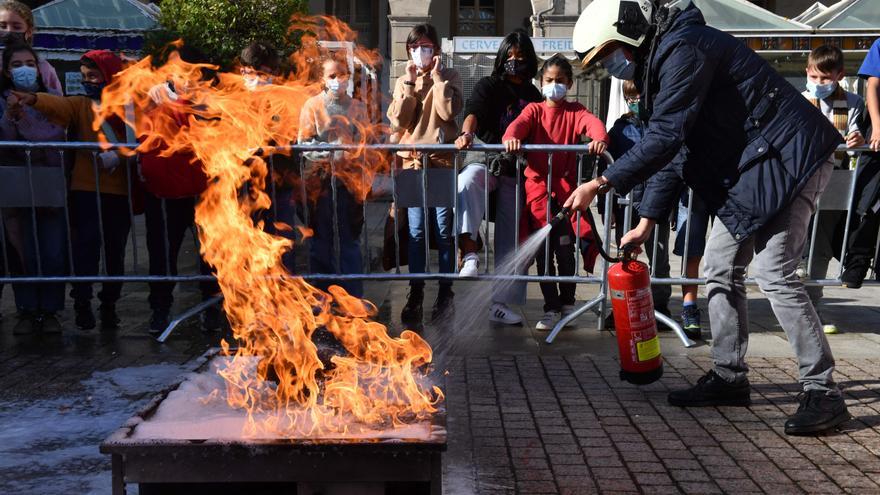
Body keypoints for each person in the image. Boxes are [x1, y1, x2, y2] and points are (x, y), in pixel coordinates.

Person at [567, 0, 848, 435]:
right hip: (756, 165)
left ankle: (823, 391)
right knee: (718, 267)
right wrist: (646, 221)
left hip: (793, 156)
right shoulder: (662, 61)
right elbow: (677, 151)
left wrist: (599, 183)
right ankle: (729, 376)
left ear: (628, 35)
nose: (611, 67)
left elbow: (665, 137)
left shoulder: (684, 48)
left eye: (609, 55)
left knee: (774, 272)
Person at [13, 50, 131, 330]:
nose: (88, 81)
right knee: (85, 250)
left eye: (94, 76)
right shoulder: (80, 104)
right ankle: (82, 302)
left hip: (120, 193)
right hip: (85, 191)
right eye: (84, 76)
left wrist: (120, 155)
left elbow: (144, 140)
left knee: (116, 253)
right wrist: (32, 99)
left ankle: (109, 303)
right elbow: (58, 107)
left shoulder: (130, 108)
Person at [502, 54, 608, 331]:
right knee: (542, 252)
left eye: (560, 81)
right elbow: (517, 127)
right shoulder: (534, 111)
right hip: (538, 192)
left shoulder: (575, 111)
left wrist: (599, 139)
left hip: (565, 193)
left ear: (569, 84)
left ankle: (568, 303)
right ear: (541, 82)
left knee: (564, 249)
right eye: (549, 80)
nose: (554, 86)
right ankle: (550, 307)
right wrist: (511, 138)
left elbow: (593, 124)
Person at [454, 29, 543, 326]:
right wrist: (467, 133)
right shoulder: (488, 85)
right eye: (509, 56)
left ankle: (501, 303)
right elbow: (473, 113)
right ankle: (469, 254)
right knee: (467, 182)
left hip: (515, 169)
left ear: (529, 60)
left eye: (520, 57)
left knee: (511, 236)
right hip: (485, 159)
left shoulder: (533, 94)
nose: (514, 61)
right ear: (502, 57)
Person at [140, 45, 222, 334]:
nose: (188, 77)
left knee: (210, 257)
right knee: (162, 256)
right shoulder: (152, 98)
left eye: (194, 71)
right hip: (162, 194)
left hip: (202, 193)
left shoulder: (210, 101)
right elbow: (144, 137)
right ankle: (159, 310)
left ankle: (212, 311)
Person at [387, 23, 463, 326]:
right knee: (416, 232)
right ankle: (415, 291)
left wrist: (438, 79)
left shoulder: (451, 76)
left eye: (428, 46)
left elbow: (448, 113)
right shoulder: (403, 80)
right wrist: (409, 83)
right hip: (412, 162)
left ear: (437, 51)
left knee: (444, 231)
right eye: (417, 47)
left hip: (441, 161)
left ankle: (446, 292)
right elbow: (399, 122)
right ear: (409, 50)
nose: (422, 52)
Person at [798, 45, 865, 334]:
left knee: (821, 247)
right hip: (802, 179)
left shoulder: (853, 102)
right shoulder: (798, 99)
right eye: (814, 77)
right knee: (797, 240)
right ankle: (796, 309)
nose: (819, 83)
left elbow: (857, 136)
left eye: (825, 79)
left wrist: (856, 139)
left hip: (834, 179)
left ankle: (814, 308)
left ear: (839, 75)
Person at [0, 43, 66, 334]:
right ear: (6, 70)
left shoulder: (50, 100)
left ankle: (50, 310)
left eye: (29, 63)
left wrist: (26, 112)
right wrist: (10, 116)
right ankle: (26, 310)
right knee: (20, 250)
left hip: (49, 181)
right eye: (17, 65)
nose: (24, 69)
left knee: (51, 249)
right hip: (13, 185)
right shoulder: (1, 100)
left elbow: (56, 133)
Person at [298, 55, 367, 298]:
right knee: (321, 240)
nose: (338, 80)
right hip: (320, 180)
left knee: (350, 238)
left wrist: (353, 154)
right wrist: (327, 153)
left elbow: (364, 141)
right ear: (323, 79)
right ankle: (322, 297)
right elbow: (303, 142)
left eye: (343, 75)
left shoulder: (358, 107)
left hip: (349, 180)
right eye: (332, 76)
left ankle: (353, 296)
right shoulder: (313, 105)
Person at [840, 37, 880, 289]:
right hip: (877, 140)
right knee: (866, 202)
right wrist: (877, 126)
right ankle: (856, 264)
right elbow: (873, 87)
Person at [0, 0, 62, 96]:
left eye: (16, 27)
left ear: (29, 31)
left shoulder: (43, 67)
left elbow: (58, 104)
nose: (9, 31)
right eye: (3, 26)